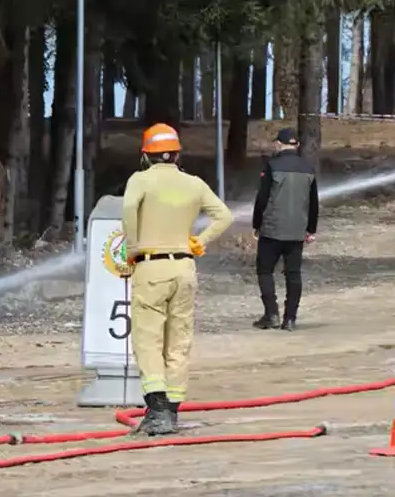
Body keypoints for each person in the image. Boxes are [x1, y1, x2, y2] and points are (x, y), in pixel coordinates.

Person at [122, 123, 234, 436]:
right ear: (176, 154)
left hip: (151, 267)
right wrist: (200, 240)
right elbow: (224, 216)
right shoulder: (194, 183)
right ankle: (171, 411)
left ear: (146, 154)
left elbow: (129, 209)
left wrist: (132, 249)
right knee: (179, 341)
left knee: (148, 339)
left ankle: (157, 410)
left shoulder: (140, 180)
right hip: (184, 268)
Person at [251, 127, 319, 331]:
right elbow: (313, 202)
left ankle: (271, 314)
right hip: (297, 229)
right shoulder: (308, 167)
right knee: (293, 273)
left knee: (264, 270)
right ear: (297, 145)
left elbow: (262, 198)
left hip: (272, 228)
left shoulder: (271, 165)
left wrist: (257, 224)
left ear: (279, 144)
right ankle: (290, 318)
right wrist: (310, 229)